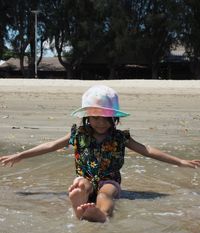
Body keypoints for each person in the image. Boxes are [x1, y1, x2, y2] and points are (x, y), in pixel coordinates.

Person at [0, 85, 200, 223]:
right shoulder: (78, 134)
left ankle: (101, 214)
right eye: (96, 118)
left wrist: (180, 161)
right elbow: (50, 145)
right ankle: (79, 202)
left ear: (114, 119)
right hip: (85, 176)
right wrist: (21, 155)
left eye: (106, 118)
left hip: (109, 180)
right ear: (87, 117)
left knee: (106, 193)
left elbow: (147, 150)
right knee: (81, 185)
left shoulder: (120, 137)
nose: (101, 123)